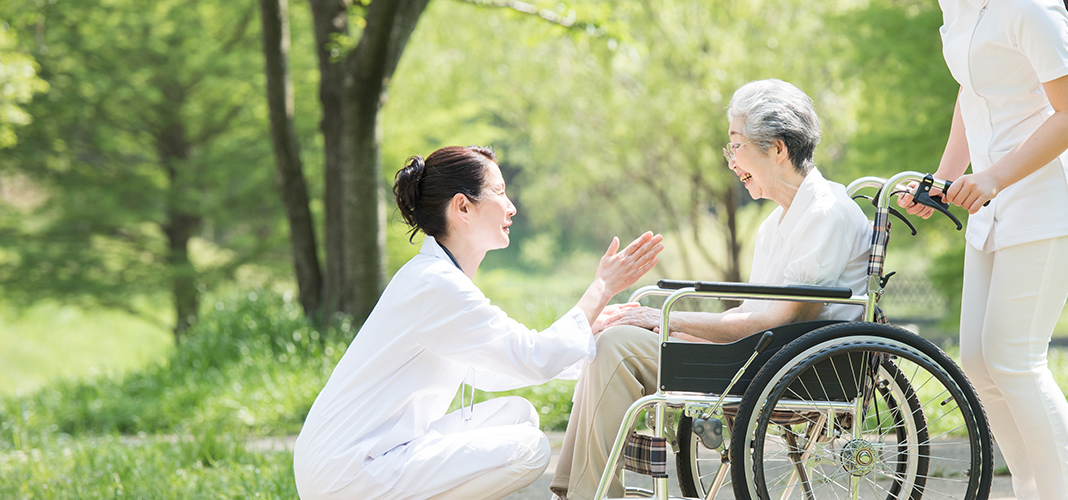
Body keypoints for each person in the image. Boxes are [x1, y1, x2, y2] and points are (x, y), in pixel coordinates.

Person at [549, 79, 873, 500]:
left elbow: (776, 320)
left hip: (794, 368)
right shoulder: (776, 223)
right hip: (761, 356)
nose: (731, 161)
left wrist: (663, 317)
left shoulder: (826, 213)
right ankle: (578, 492)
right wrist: (670, 327)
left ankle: (582, 494)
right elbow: (749, 317)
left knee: (618, 345)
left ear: (777, 149)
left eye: (736, 145)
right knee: (617, 340)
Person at [291, 145, 663, 500]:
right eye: (499, 193)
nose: (511, 207)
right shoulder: (436, 285)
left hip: (353, 459)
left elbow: (495, 369)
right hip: (348, 471)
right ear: (463, 208)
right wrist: (602, 288)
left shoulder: (435, 278)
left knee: (518, 415)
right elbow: (531, 358)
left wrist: (591, 338)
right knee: (530, 449)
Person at [896, 1, 1068, 498]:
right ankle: (1034, 488)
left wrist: (994, 176)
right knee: (977, 359)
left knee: (1014, 359)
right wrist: (945, 177)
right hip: (988, 205)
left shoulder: (1028, 10)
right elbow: (971, 94)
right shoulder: (958, 8)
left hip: (1043, 202)